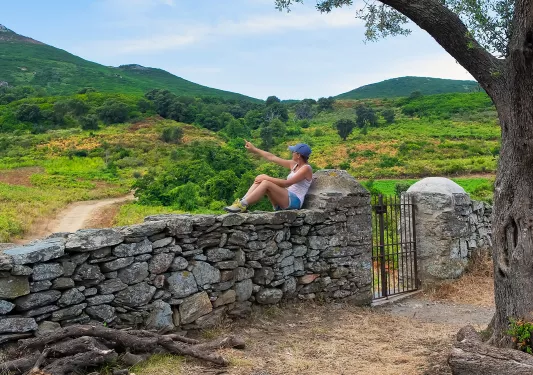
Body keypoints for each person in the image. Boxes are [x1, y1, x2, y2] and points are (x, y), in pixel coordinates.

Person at [224, 140, 313, 213]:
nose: (291, 153)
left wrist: (267, 177)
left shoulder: (306, 169)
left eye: (293, 152)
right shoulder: (294, 164)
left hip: (294, 201)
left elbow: (287, 183)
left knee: (266, 182)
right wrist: (254, 149)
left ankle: (242, 204)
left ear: (298, 155)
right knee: (261, 178)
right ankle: (242, 202)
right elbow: (272, 157)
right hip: (285, 198)